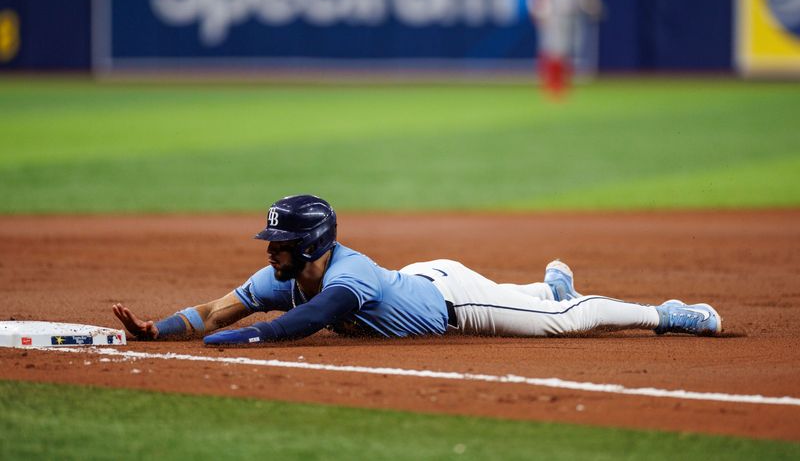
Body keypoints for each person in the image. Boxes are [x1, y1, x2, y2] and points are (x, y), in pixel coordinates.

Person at [112, 194, 722, 345]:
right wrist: (157, 330)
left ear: (311, 244)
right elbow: (220, 309)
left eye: (280, 242)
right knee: (535, 301)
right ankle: (543, 285)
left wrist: (236, 340)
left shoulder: (348, 277)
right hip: (423, 277)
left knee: (558, 322)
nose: (269, 250)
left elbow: (310, 321)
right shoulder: (282, 276)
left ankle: (667, 314)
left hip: (457, 303)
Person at [527, 0, 603, 100]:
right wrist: (537, 9)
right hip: (552, 14)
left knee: (568, 50)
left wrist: (592, 5)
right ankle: (551, 86)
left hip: (573, 13)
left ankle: (564, 85)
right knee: (551, 49)